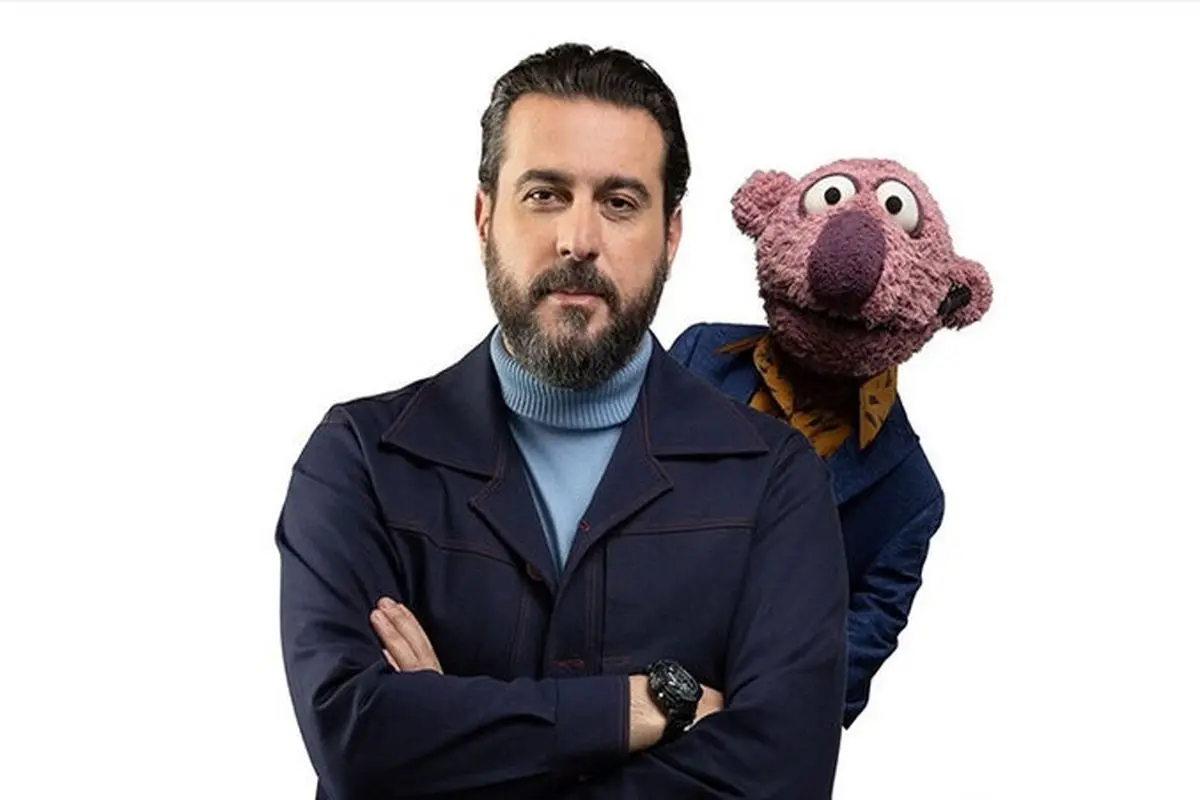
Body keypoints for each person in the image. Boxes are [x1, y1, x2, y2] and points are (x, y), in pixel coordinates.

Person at [276, 42, 848, 800]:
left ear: (671, 235)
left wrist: (446, 741)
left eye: (620, 202)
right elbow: (354, 742)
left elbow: (782, 776)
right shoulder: (359, 460)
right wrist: (641, 707)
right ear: (485, 215)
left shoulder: (774, 478)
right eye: (545, 194)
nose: (579, 240)